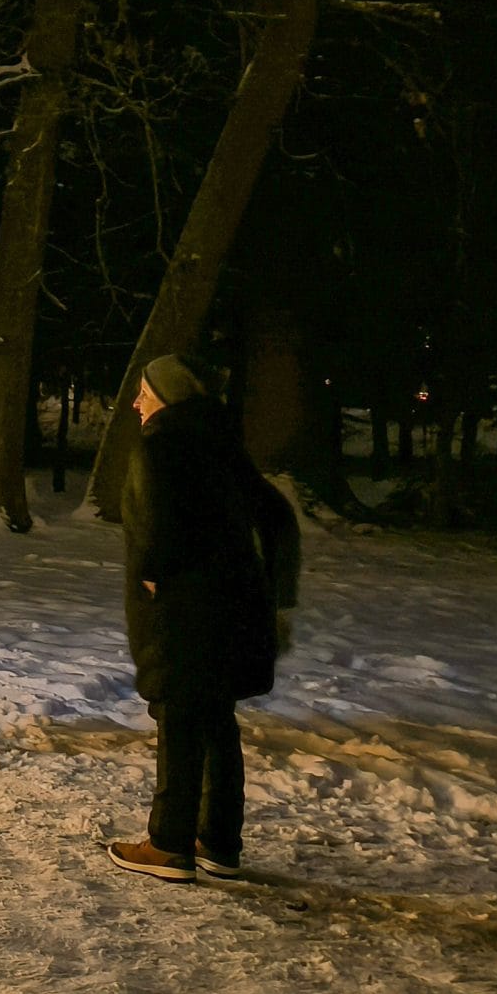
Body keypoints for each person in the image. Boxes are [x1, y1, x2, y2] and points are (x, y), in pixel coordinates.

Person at [105, 354, 302, 883]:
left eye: (143, 394)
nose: (135, 404)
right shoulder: (221, 445)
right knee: (215, 719)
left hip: (182, 613)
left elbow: (154, 520)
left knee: (180, 718)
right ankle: (218, 841)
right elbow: (279, 519)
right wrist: (279, 596)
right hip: (232, 608)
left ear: (165, 397)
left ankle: (169, 844)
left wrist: (151, 574)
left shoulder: (160, 443)